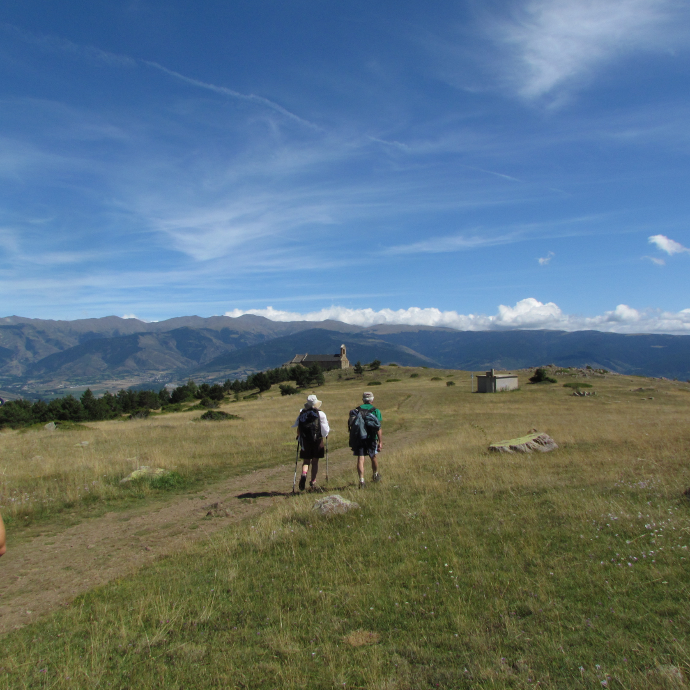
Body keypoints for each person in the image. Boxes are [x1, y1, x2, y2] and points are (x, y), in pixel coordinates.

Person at [292, 394, 330, 491]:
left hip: (305, 440)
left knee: (306, 461)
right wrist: (325, 435)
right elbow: (325, 431)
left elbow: (298, 426)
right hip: (317, 440)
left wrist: (299, 436)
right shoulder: (321, 414)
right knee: (315, 461)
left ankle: (304, 474)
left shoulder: (302, 413)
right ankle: (313, 481)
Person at [350, 391, 383, 489]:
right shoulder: (376, 411)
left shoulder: (356, 410)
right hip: (371, 438)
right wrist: (380, 442)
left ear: (363, 400)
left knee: (361, 458)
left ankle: (361, 480)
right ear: (372, 400)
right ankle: (375, 474)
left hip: (360, 437)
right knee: (373, 457)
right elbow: (378, 428)